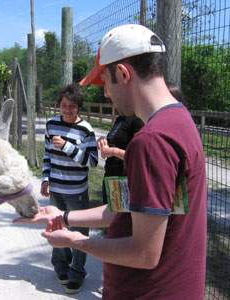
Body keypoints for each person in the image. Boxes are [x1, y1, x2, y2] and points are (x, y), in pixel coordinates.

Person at [14, 24, 207, 299]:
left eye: (104, 81)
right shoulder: (181, 121)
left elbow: (144, 253)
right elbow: (131, 209)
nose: (106, 93)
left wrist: (77, 241)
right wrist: (64, 216)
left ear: (123, 73)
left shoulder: (150, 141)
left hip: (148, 291)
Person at [40, 83, 98, 294]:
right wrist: (45, 177)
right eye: (64, 105)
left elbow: (92, 161)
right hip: (57, 190)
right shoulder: (51, 125)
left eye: (72, 106)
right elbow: (47, 156)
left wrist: (67, 147)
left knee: (79, 232)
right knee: (57, 229)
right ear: (59, 105)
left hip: (77, 192)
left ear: (78, 107)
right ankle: (61, 267)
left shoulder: (86, 130)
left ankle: (77, 272)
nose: (67, 110)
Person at [97, 114, 144, 205]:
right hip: (111, 178)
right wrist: (102, 140)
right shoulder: (120, 119)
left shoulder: (138, 121)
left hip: (125, 181)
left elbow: (139, 157)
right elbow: (117, 141)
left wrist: (113, 151)